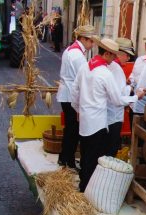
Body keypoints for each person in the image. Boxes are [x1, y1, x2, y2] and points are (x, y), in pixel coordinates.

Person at [71, 38, 138, 192]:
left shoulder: (85, 66)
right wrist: (135, 97)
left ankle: (83, 185)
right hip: (98, 122)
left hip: (85, 120)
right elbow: (116, 100)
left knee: (85, 154)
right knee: (95, 157)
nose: (115, 58)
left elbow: (75, 92)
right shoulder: (105, 73)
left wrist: (79, 110)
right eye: (113, 55)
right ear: (107, 53)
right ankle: (88, 190)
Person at [56, 25, 96, 169]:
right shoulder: (77, 55)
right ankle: (68, 160)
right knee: (73, 131)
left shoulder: (70, 50)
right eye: (91, 41)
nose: (92, 45)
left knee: (70, 129)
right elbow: (84, 78)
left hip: (66, 95)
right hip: (71, 97)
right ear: (84, 39)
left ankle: (64, 158)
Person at [105, 38, 136, 158]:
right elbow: (119, 96)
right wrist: (134, 93)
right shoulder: (116, 68)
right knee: (111, 147)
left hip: (107, 114)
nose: (128, 58)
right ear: (120, 53)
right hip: (114, 115)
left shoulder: (111, 66)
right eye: (127, 55)